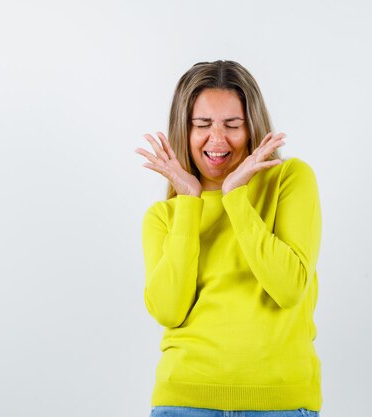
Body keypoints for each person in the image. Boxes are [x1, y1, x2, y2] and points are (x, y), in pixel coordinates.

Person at [135, 60, 323, 417]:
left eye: (232, 125)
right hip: (183, 403)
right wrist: (188, 203)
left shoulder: (291, 180)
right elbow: (168, 310)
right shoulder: (165, 216)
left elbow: (289, 288)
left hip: (279, 404)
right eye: (202, 125)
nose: (217, 139)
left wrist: (234, 196)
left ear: (252, 127)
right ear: (184, 130)